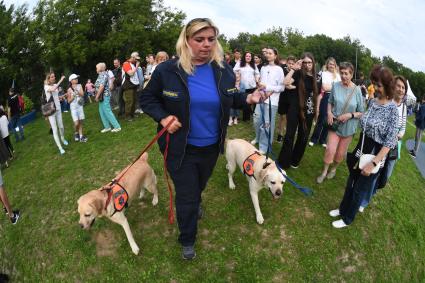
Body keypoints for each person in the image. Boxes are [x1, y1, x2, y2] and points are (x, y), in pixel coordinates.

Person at [140, 18, 266, 260]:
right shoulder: (167, 70)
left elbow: (230, 98)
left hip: (210, 147)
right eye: (199, 39)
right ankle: (187, 239)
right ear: (186, 41)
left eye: (211, 39)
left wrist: (248, 99)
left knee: (199, 185)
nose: (206, 45)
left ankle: (196, 201)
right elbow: (147, 99)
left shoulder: (223, 70)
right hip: (179, 148)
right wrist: (164, 117)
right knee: (186, 196)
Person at [329, 65, 398, 228]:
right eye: (374, 83)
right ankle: (342, 209)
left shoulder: (393, 110)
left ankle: (348, 218)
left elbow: (389, 142)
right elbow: (364, 120)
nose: (375, 88)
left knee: (360, 188)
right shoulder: (373, 102)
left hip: (376, 152)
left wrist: (374, 163)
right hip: (362, 145)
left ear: (388, 86)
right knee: (351, 181)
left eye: (379, 85)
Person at [359, 75, 408, 210]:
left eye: (403, 87)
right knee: (373, 170)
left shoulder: (403, 108)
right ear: (392, 86)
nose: (401, 89)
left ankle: (369, 193)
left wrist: (398, 135)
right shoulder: (386, 101)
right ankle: (363, 199)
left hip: (392, 146)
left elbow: (403, 128)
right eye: (398, 86)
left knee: (383, 174)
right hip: (378, 143)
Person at [316, 62, 364, 184]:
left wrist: (350, 115)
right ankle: (324, 171)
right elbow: (330, 102)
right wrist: (330, 113)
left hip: (349, 128)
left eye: (346, 73)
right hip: (335, 125)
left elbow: (361, 112)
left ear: (351, 74)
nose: (343, 76)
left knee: (340, 153)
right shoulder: (335, 86)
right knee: (330, 149)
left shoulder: (357, 90)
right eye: (341, 73)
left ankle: (334, 168)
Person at [277, 52, 319, 169]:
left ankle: (295, 161)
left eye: (309, 62)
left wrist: (317, 111)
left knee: (303, 136)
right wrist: (293, 69)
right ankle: (283, 162)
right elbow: (285, 82)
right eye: (304, 62)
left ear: (313, 63)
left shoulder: (318, 77)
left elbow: (318, 96)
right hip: (295, 108)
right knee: (289, 135)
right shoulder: (298, 73)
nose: (307, 65)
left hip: (309, 110)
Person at [251, 48, 284, 154]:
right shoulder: (263, 68)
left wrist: (267, 87)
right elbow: (261, 83)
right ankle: (258, 137)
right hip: (261, 99)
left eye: (270, 53)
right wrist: (259, 84)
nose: (268, 55)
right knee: (257, 120)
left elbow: (281, 87)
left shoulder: (279, 69)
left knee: (267, 124)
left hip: (272, 101)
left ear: (275, 56)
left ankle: (264, 147)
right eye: (267, 53)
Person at [309, 57, 341, 147]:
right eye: (330, 64)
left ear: (335, 65)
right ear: (327, 65)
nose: (332, 66)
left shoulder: (338, 76)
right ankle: (314, 139)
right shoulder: (323, 74)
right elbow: (325, 88)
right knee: (322, 117)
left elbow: (340, 88)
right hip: (326, 96)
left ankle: (323, 140)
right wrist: (335, 86)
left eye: (333, 64)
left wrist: (332, 86)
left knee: (330, 119)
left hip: (336, 98)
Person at [44, 72, 68, 155]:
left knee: (61, 127)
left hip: (58, 109)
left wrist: (62, 97)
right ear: (48, 79)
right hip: (51, 111)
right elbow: (53, 89)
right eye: (52, 77)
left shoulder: (55, 85)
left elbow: (55, 96)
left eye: (54, 76)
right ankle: (60, 148)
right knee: (55, 129)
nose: (54, 78)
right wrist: (61, 80)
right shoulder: (46, 86)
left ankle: (62, 138)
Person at [232, 51, 260, 122]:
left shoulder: (253, 64)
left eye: (250, 56)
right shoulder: (240, 63)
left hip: (252, 86)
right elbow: (234, 71)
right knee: (246, 103)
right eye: (247, 56)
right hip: (244, 86)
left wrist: (257, 78)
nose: (248, 57)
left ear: (251, 58)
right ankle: (246, 118)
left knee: (254, 101)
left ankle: (255, 115)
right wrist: (238, 77)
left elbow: (257, 73)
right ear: (244, 57)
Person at [95, 63, 121, 133]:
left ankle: (117, 126)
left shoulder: (103, 75)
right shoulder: (100, 75)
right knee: (102, 111)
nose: (96, 69)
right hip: (102, 96)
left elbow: (102, 86)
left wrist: (97, 96)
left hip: (104, 96)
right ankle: (107, 127)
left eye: (97, 68)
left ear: (100, 68)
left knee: (107, 111)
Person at [276, 55, 297, 142]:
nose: (291, 65)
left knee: (290, 117)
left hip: (292, 98)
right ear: (286, 63)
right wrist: (291, 86)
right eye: (289, 63)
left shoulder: (296, 72)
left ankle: (288, 134)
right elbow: (285, 84)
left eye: (292, 63)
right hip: (283, 97)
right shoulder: (282, 71)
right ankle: (280, 134)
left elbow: (288, 83)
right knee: (282, 117)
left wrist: (290, 85)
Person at [67, 74, 88, 142]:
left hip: (80, 106)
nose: (76, 79)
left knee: (80, 121)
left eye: (77, 78)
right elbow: (69, 101)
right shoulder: (69, 89)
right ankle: (76, 133)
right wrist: (73, 97)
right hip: (73, 108)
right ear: (71, 81)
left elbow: (82, 94)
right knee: (76, 123)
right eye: (75, 78)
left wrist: (77, 91)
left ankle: (81, 136)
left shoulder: (79, 86)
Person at [121, 52, 141, 121]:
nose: (137, 61)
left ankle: (132, 114)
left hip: (133, 85)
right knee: (129, 101)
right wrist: (137, 66)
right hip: (128, 85)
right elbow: (131, 73)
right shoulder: (126, 64)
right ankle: (127, 116)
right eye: (136, 59)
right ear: (132, 57)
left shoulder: (132, 64)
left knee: (134, 100)